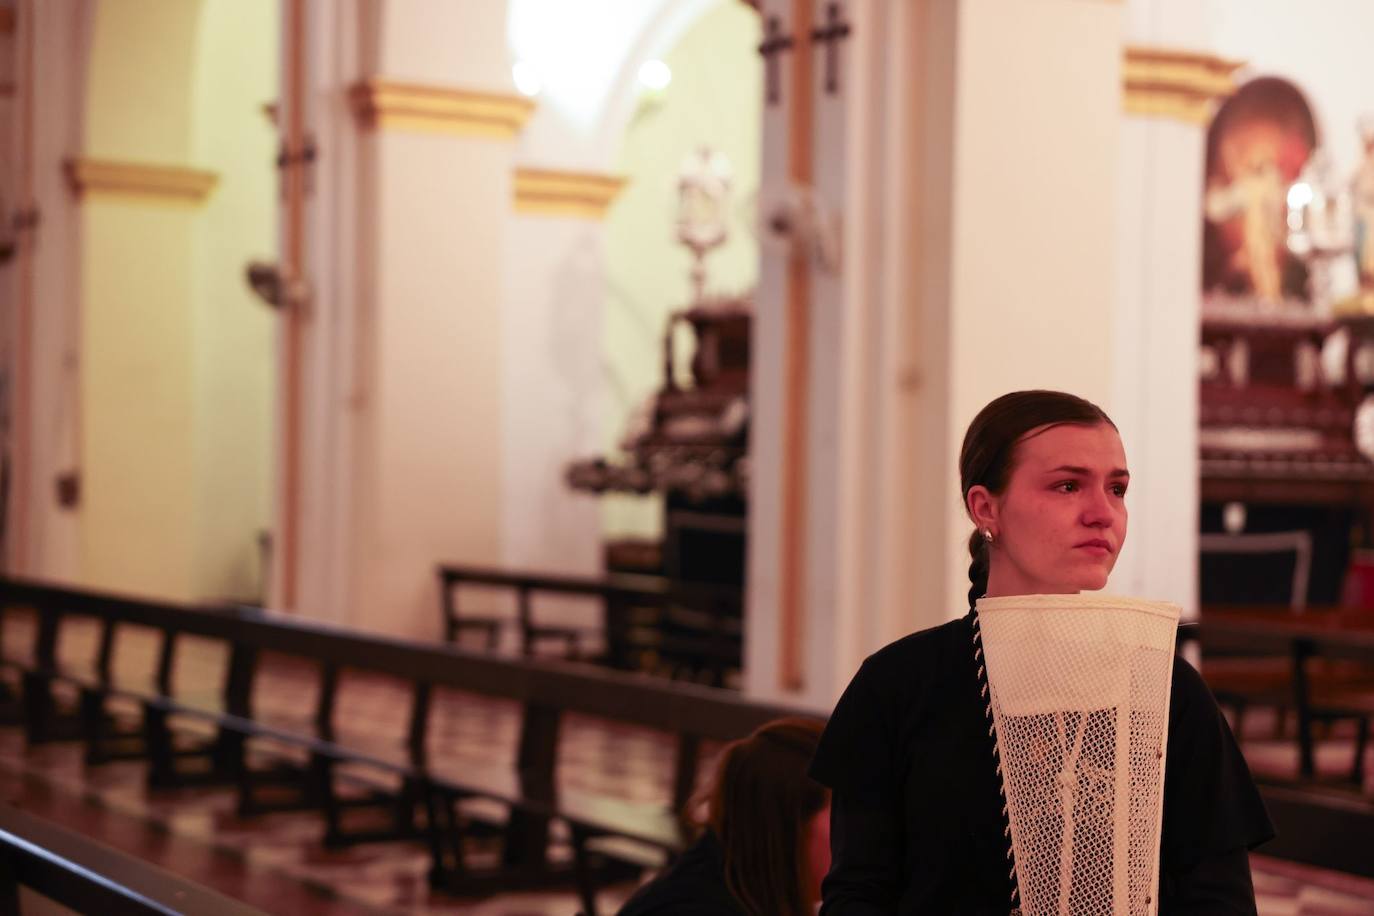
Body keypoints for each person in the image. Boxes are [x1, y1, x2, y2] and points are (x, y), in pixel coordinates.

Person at [810, 389, 1275, 914]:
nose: (1103, 513)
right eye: (1068, 485)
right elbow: (859, 895)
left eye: (1118, 489)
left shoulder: (1162, 689)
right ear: (986, 507)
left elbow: (1219, 899)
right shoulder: (897, 685)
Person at [618, 717, 830, 916]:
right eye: (845, 814)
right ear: (787, 823)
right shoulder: (696, 906)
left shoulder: (743, 883)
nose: (859, 837)